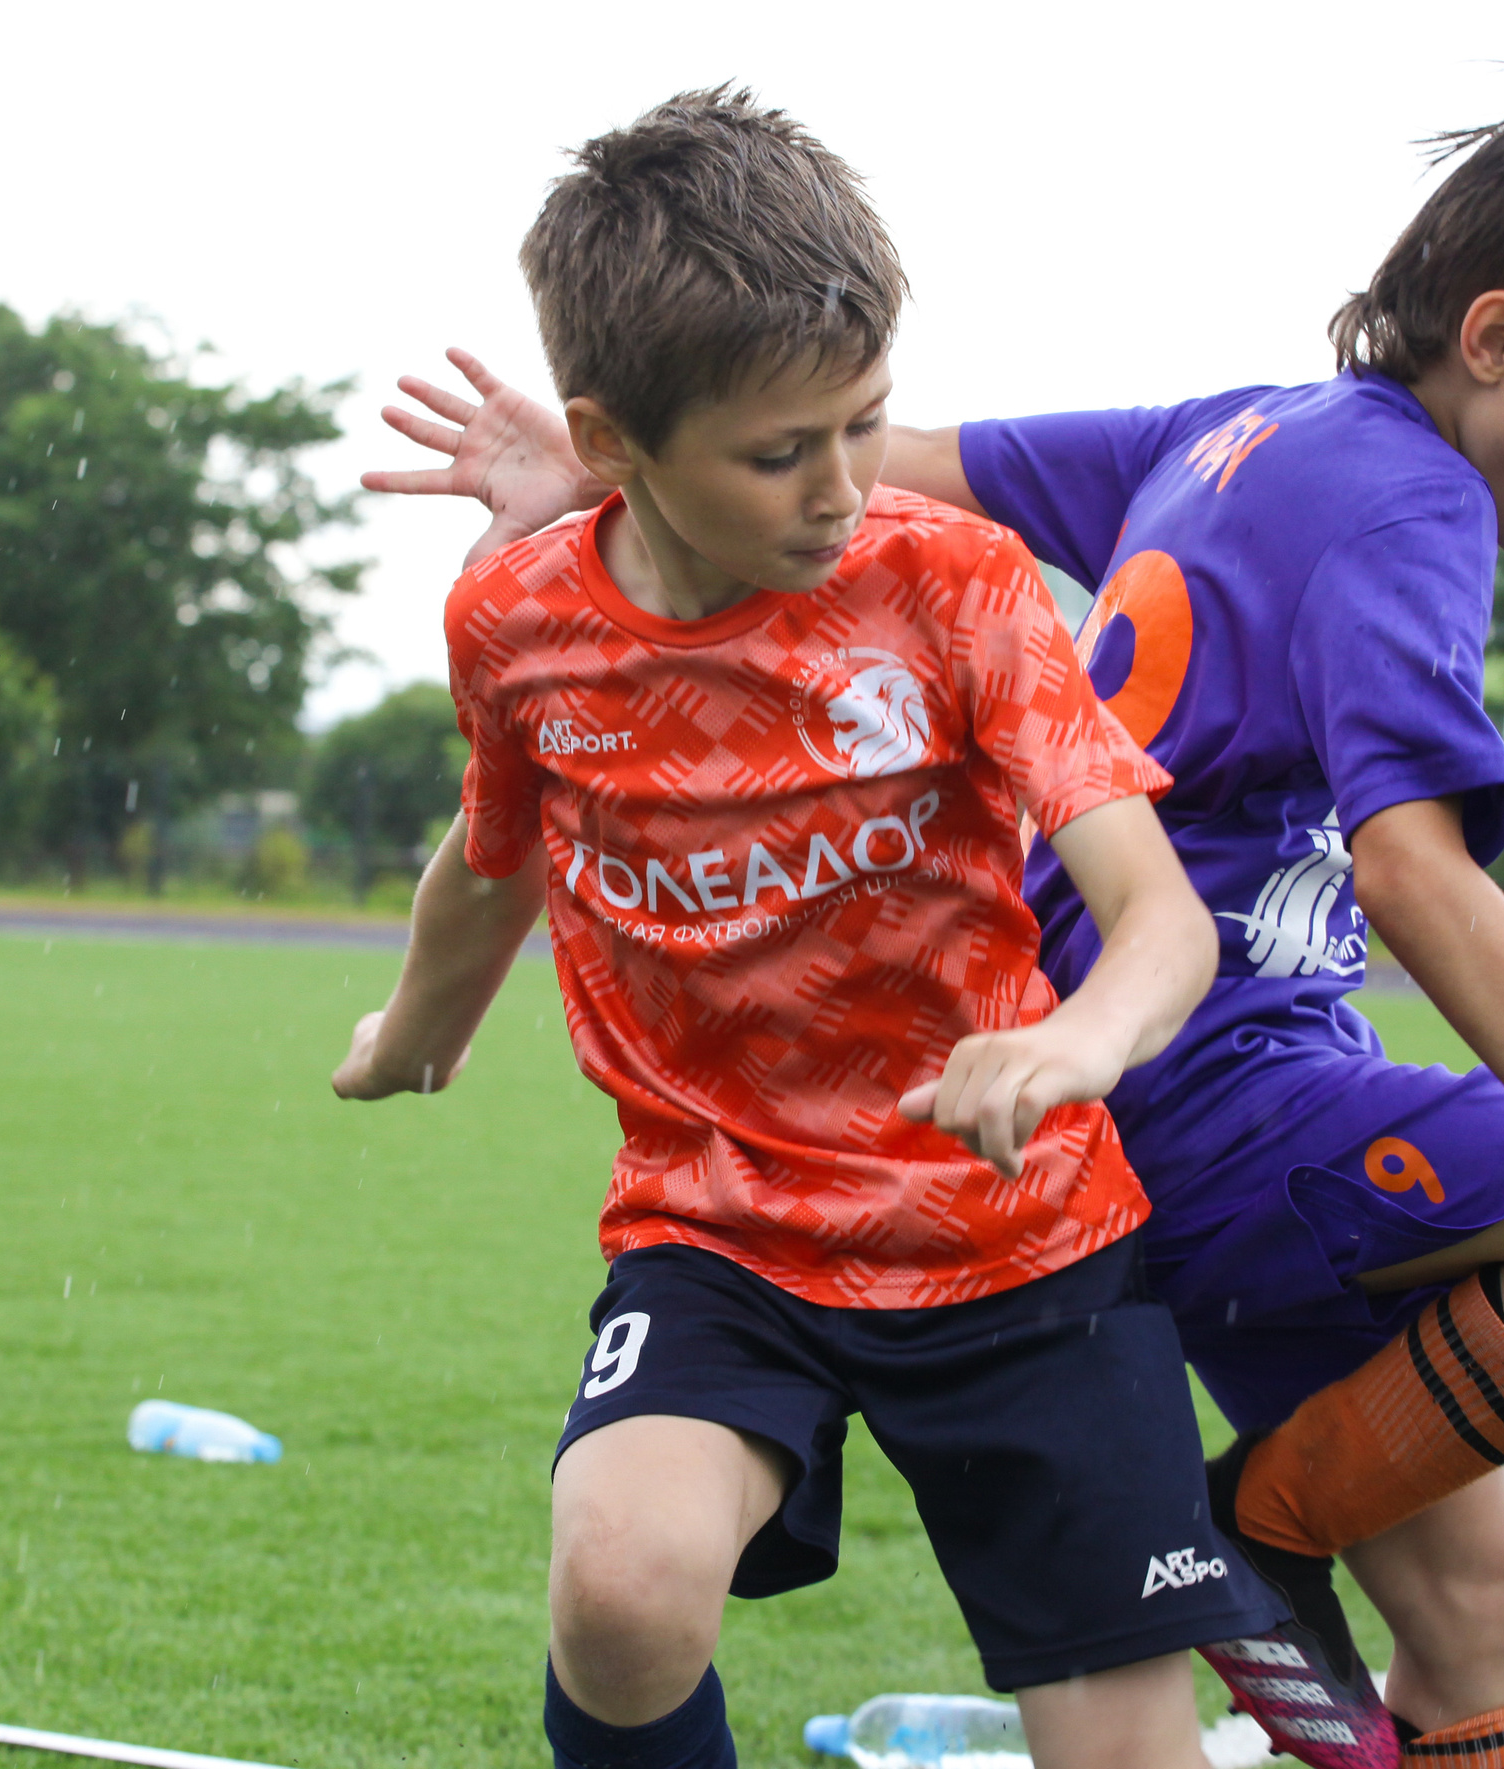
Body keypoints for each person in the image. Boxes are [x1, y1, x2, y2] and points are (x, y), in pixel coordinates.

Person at [362, 99, 1504, 1769]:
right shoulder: (1408, 499)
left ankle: (1280, 1518)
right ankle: (1264, 1527)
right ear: (1497, 335)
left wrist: (602, 490)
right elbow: (1417, 873)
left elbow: (895, 468)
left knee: (1490, 1595)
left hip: (1118, 1058)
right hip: (1205, 1082)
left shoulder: (1237, 430)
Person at [329, 87, 1377, 1769]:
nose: (841, 487)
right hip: (720, 1232)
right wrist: (412, 1033)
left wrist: (1077, 1039)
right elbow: (489, 854)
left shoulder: (954, 586)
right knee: (620, 1588)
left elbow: (1160, 918)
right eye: (778, 451)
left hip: (1025, 1241)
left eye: (864, 425)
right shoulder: (517, 622)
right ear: (611, 447)